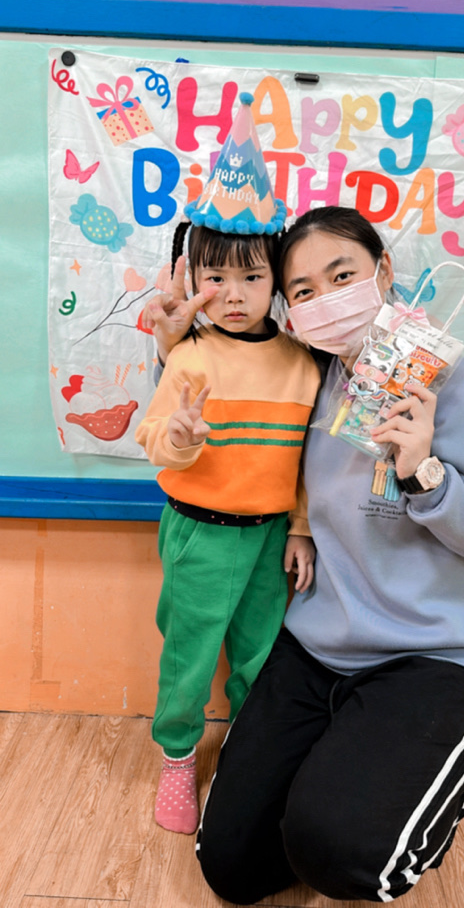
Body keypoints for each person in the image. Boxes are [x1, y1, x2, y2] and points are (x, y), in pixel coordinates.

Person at [149, 205, 464, 902]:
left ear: (385, 270)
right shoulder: (313, 379)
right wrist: (170, 348)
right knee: (232, 865)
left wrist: (428, 475)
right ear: (289, 308)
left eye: (342, 276)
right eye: (304, 290)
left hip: (437, 654)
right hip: (320, 644)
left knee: (344, 854)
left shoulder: (461, 386)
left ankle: (435, 784)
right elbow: (226, 393)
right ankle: (347, 775)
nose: (326, 299)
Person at [135, 218, 320, 836]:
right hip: (198, 533)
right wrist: (180, 438)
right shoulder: (188, 355)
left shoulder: (304, 366)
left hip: (270, 538)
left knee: (260, 656)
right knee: (188, 654)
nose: (233, 295)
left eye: (252, 277)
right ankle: (177, 757)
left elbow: (308, 462)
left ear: (277, 282)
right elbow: (153, 437)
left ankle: (247, 752)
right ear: (193, 279)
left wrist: (300, 527)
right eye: (215, 277)